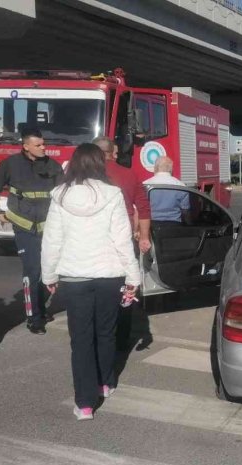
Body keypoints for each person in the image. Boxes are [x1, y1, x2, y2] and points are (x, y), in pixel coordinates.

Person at [41, 143, 140, 421]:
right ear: (100, 164)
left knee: (81, 340)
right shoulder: (111, 194)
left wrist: (48, 275)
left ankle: (85, 403)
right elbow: (122, 239)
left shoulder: (60, 196)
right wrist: (133, 276)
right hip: (110, 275)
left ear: (74, 164)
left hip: (75, 277)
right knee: (106, 333)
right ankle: (105, 383)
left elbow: (52, 240)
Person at [0, 128, 63, 334]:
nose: (43, 148)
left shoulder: (53, 166)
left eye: (44, 144)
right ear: (26, 146)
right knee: (32, 271)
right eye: (38, 145)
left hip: (49, 228)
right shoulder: (10, 165)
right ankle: (34, 317)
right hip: (24, 227)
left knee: (50, 270)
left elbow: (63, 195)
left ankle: (41, 307)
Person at [92, 136, 151, 351]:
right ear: (111, 153)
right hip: (124, 239)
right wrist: (144, 236)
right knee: (127, 289)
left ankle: (99, 334)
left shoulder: (86, 176)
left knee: (98, 290)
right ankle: (123, 335)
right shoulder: (128, 174)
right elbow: (143, 209)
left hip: (96, 241)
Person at [144, 156, 190, 224]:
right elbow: (185, 211)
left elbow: (140, 210)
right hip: (174, 226)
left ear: (155, 168)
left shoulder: (145, 185)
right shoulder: (181, 186)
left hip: (151, 226)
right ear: (171, 169)